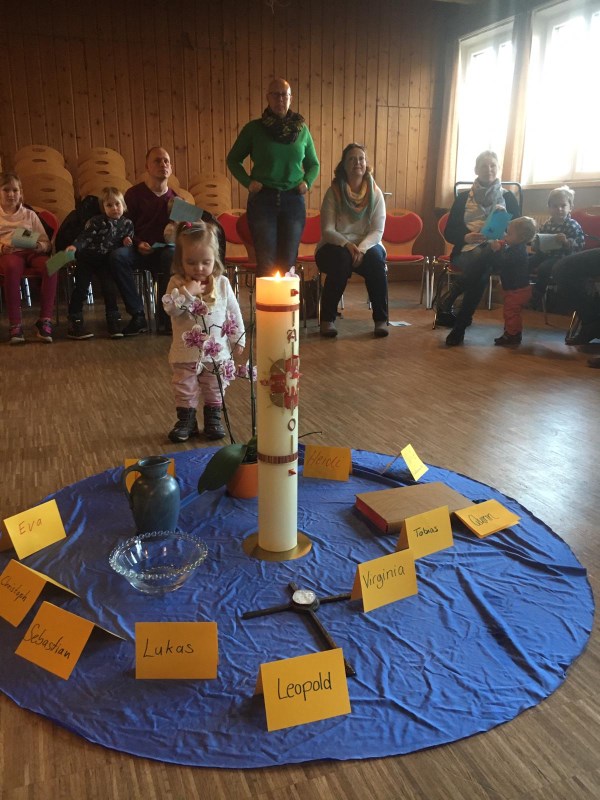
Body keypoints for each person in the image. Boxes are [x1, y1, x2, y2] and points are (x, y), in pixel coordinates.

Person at [226, 77, 320, 277]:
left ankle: (286, 299)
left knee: (288, 262)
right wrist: (247, 182)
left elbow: (314, 164)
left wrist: (307, 182)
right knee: (266, 261)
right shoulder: (254, 129)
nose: (280, 99)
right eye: (275, 95)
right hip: (263, 201)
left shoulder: (301, 130)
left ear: (291, 98)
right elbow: (233, 160)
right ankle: (266, 299)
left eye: (284, 95)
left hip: (293, 200)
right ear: (267, 98)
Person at [162, 221, 245, 443]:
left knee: (215, 386)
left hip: (216, 353)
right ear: (180, 260)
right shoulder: (176, 283)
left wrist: (238, 338)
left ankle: (213, 420)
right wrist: (187, 293)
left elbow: (233, 312)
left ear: (215, 259)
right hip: (185, 353)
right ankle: (186, 422)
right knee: (184, 387)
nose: (199, 268)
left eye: (205, 262)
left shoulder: (222, 283)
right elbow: (170, 309)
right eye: (191, 262)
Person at [438, 151, 521, 347]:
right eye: (484, 166)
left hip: (499, 249)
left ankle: (456, 298)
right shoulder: (463, 198)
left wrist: (503, 237)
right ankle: (460, 324)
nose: (488, 169)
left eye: (492, 165)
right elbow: (449, 232)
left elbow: (520, 232)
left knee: (482, 264)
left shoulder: (508, 198)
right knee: (481, 269)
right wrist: (465, 236)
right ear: (476, 170)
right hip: (468, 249)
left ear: (498, 168)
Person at [315, 143, 388, 338]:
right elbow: (327, 230)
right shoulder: (333, 192)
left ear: (366, 164)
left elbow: (377, 231)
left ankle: (381, 320)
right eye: (352, 159)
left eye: (361, 159)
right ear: (344, 165)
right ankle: (327, 320)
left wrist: (361, 249)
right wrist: (348, 245)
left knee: (376, 260)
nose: (358, 162)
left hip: (367, 245)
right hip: (335, 245)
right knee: (341, 259)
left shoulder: (376, 193)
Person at [109, 146, 178, 336]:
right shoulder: (134, 194)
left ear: (171, 168)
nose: (163, 164)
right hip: (136, 247)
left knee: (172, 255)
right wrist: (138, 242)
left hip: (163, 250)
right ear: (147, 167)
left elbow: (180, 231)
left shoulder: (175, 199)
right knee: (117, 257)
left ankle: (166, 317)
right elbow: (124, 226)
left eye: (166, 161)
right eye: (157, 160)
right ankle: (137, 315)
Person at [65, 187, 134, 339]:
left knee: (109, 289)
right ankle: (75, 320)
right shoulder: (97, 222)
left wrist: (127, 241)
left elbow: (128, 240)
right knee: (81, 288)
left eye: (117, 204)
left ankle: (113, 320)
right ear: (103, 207)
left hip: (106, 261)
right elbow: (85, 237)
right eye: (109, 205)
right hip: (87, 259)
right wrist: (75, 246)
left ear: (123, 205)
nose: (114, 208)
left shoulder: (127, 223)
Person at [0, 172, 55, 344]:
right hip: (10, 254)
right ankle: (15, 324)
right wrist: (2, 247)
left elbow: (46, 242)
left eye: (15, 190)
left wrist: (40, 246)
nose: (11, 194)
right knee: (11, 267)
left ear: (21, 193)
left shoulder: (30, 214)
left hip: (32, 252)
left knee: (53, 264)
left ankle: (45, 320)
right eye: (6, 190)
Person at [530, 186, 584, 306]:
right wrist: (536, 244)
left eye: (563, 206)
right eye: (555, 206)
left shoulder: (572, 225)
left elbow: (580, 244)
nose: (559, 209)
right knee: (527, 261)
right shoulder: (547, 224)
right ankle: (521, 288)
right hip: (545, 254)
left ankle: (537, 294)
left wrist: (566, 242)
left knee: (544, 268)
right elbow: (538, 238)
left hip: (562, 257)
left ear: (570, 207)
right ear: (549, 208)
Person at [488, 216, 537, 347]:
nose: (505, 236)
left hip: (517, 290)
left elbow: (502, 262)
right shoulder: (516, 248)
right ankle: (512, 332)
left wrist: (497, 250)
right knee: (512, 312)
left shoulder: (517, 252)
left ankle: (512, 335)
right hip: (516, 288)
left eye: (509, 234)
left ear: (520, 238)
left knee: (511, 312)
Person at [554, 248, 600, 345]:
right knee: (583, 303)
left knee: (584, 303)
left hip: (565, 268)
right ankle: (591, 328)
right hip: (567, 271)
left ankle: (591, 328)